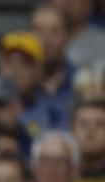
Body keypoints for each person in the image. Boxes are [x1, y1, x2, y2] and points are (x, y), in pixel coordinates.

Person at [31, 4, 75, 132]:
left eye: (54, 31)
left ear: (67, 37)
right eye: (39, 30)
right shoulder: (15, 88)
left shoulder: (81, 83)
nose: (46, 38)